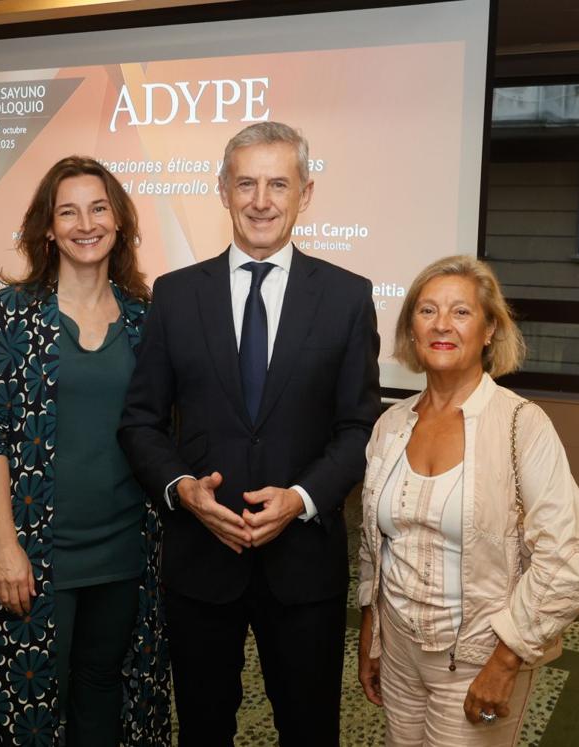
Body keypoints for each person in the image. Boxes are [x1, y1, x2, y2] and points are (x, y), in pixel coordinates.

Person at [118, 121, 380, 746]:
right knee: (204, 729)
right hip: (202, 560)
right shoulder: (176, 296)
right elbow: (141, 421)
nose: (261, 200)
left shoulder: (347, 297)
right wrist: (182, 488)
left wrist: (303, 498)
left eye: (277, 184)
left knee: (309, 728)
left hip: (305, 564)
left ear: (305, 194)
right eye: (246, 184)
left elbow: (359, 426)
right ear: (222, 191)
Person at [356, 256, 579, 746]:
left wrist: (506, 660)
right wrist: (372, 628)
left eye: (460, 312)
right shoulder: (391, 425)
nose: (442, 324)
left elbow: (569, 559)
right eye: (427, 311)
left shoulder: (521, 425)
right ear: (411, 329)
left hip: (478, 658)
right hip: (400, 650)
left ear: (490, 329)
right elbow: (374, 545)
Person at [0, 156, 170, 746]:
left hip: (126, 546)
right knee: (30, 699)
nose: (86, 223)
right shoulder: (12, 314)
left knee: (104, 686)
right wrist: (4, 545)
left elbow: (159, 432)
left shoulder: (144, 318)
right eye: (69, 211)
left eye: (99, 207)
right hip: (33, 548)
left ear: (119, 221)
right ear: (48, 228)